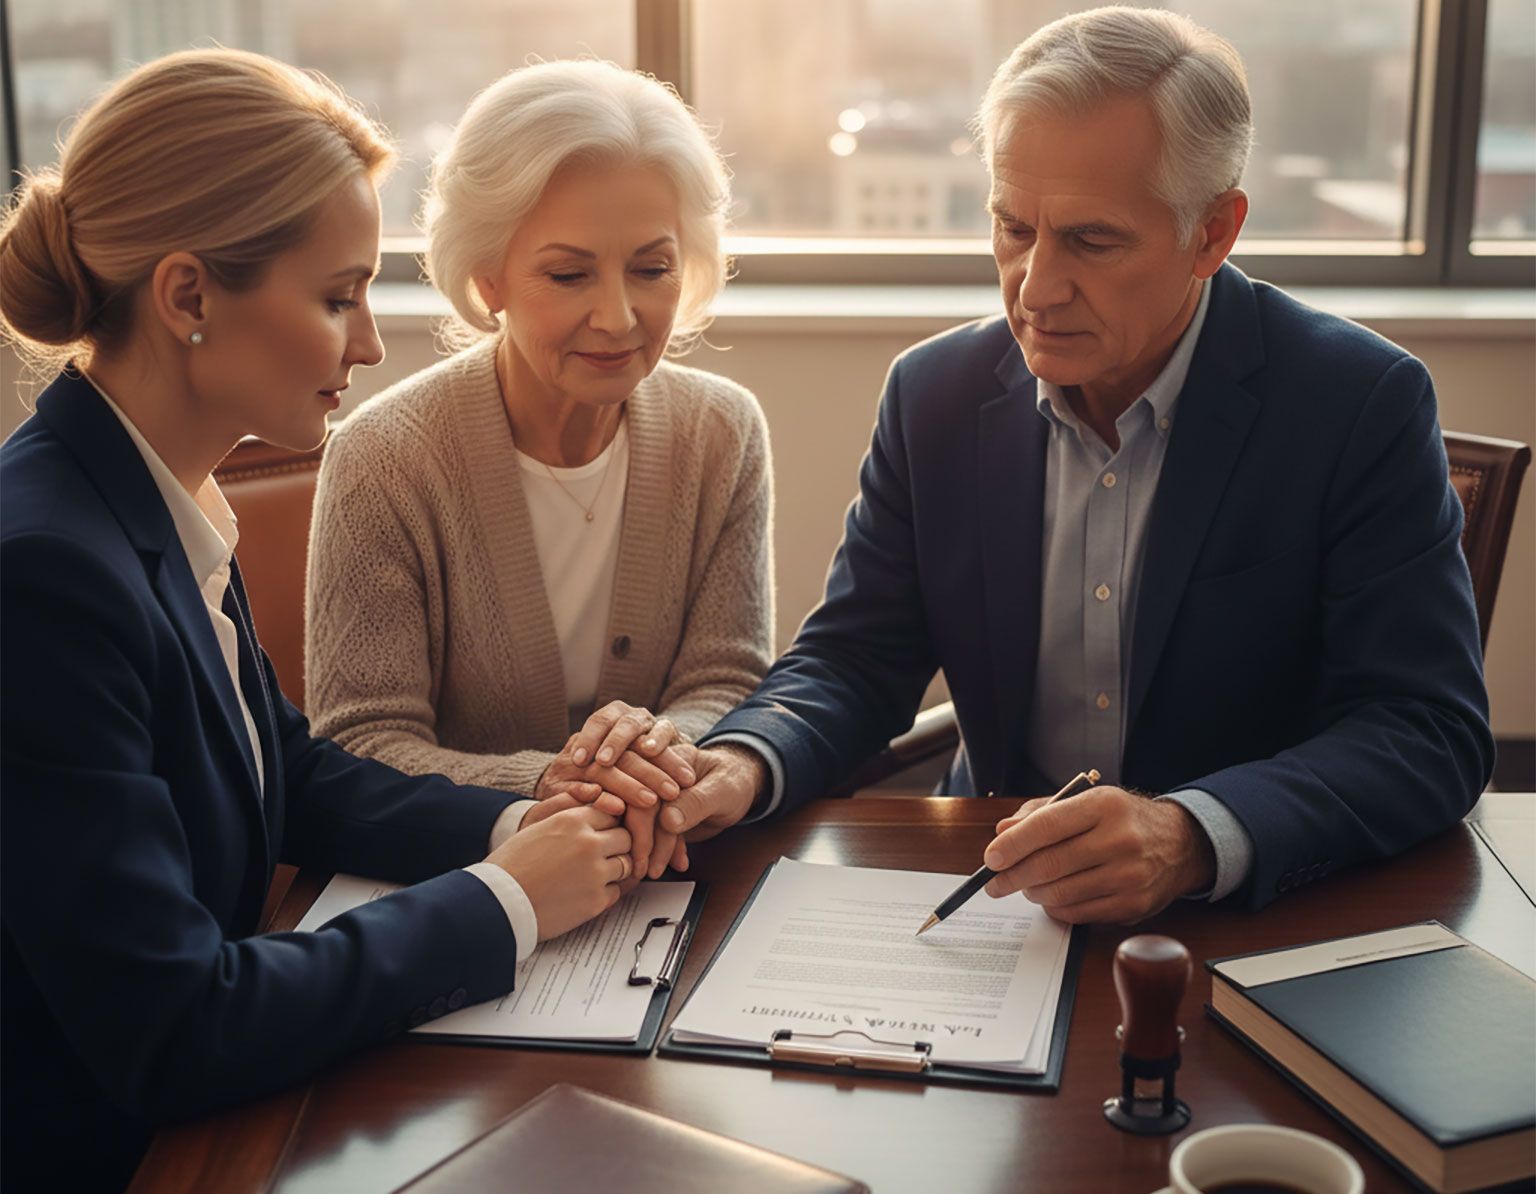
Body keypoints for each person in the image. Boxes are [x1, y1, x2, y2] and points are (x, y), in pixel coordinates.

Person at [660, 6, 1494, 920]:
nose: (1036, 287)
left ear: (1213, 234)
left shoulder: (1358, 403)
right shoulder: (933, 395)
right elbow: (857, 660)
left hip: (1254, 921)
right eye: (1013, 228)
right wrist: (742, 761)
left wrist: (1190, 833)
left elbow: (1428, 730)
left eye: (1091, 241)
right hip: (998, 898)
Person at [0, 50, 634, 1191]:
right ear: (189, 297)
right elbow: (179, 1026)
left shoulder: (157, 488)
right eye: (337, 296)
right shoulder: (42, 573)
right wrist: (507, 902)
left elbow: (281, 771)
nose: (371, 343)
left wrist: (521, 820)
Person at [305, 59, 774, 885]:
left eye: (652, 268)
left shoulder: (722, 432)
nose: (619, 316)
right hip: (457, 885)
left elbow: (726, 679)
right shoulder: (383, 456)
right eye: (569, 274)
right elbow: (362, 743)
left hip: (666, 874)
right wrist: (550, 784)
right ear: (489, 277)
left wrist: (652, 757)